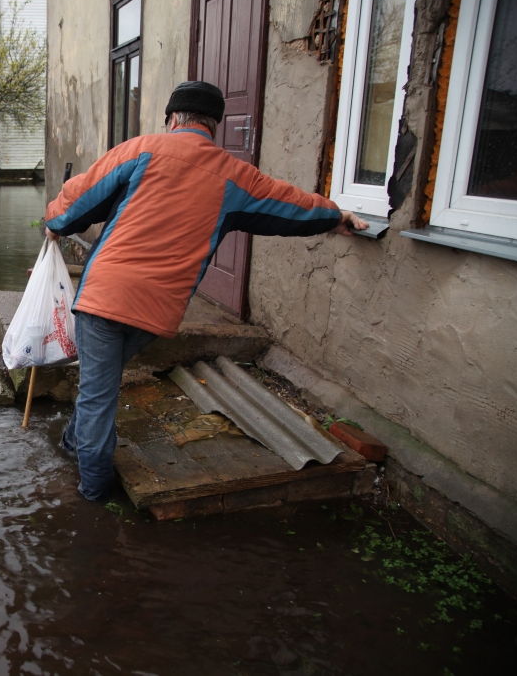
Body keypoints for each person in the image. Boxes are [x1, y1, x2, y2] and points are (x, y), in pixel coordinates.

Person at [44, 80, 368, 501]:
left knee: (97, 396)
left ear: (172, 118)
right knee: (99, 387)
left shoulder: (141, 149)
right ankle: (74, 443)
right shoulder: (235, 175)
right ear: (214, 125)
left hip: (104, 298)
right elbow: (291, 204)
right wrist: (336, 216)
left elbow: (80, 196)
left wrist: (55, 222)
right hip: (156, 313)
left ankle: (92, 497)